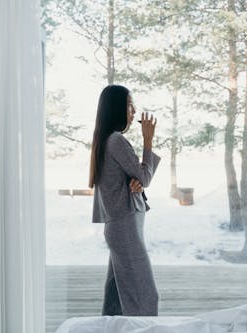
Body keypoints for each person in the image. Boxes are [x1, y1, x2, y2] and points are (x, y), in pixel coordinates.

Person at [88, 84, 160, 316]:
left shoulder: (107, 141)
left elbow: (138, 178)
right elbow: (144, 177)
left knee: (115, 302)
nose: (134, 110)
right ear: (116, 108)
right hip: (125, 229)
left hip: (121, 227)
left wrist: (136, 183)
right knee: (145, 297)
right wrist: (148, 141)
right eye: (129, 105)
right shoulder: (116, 141)